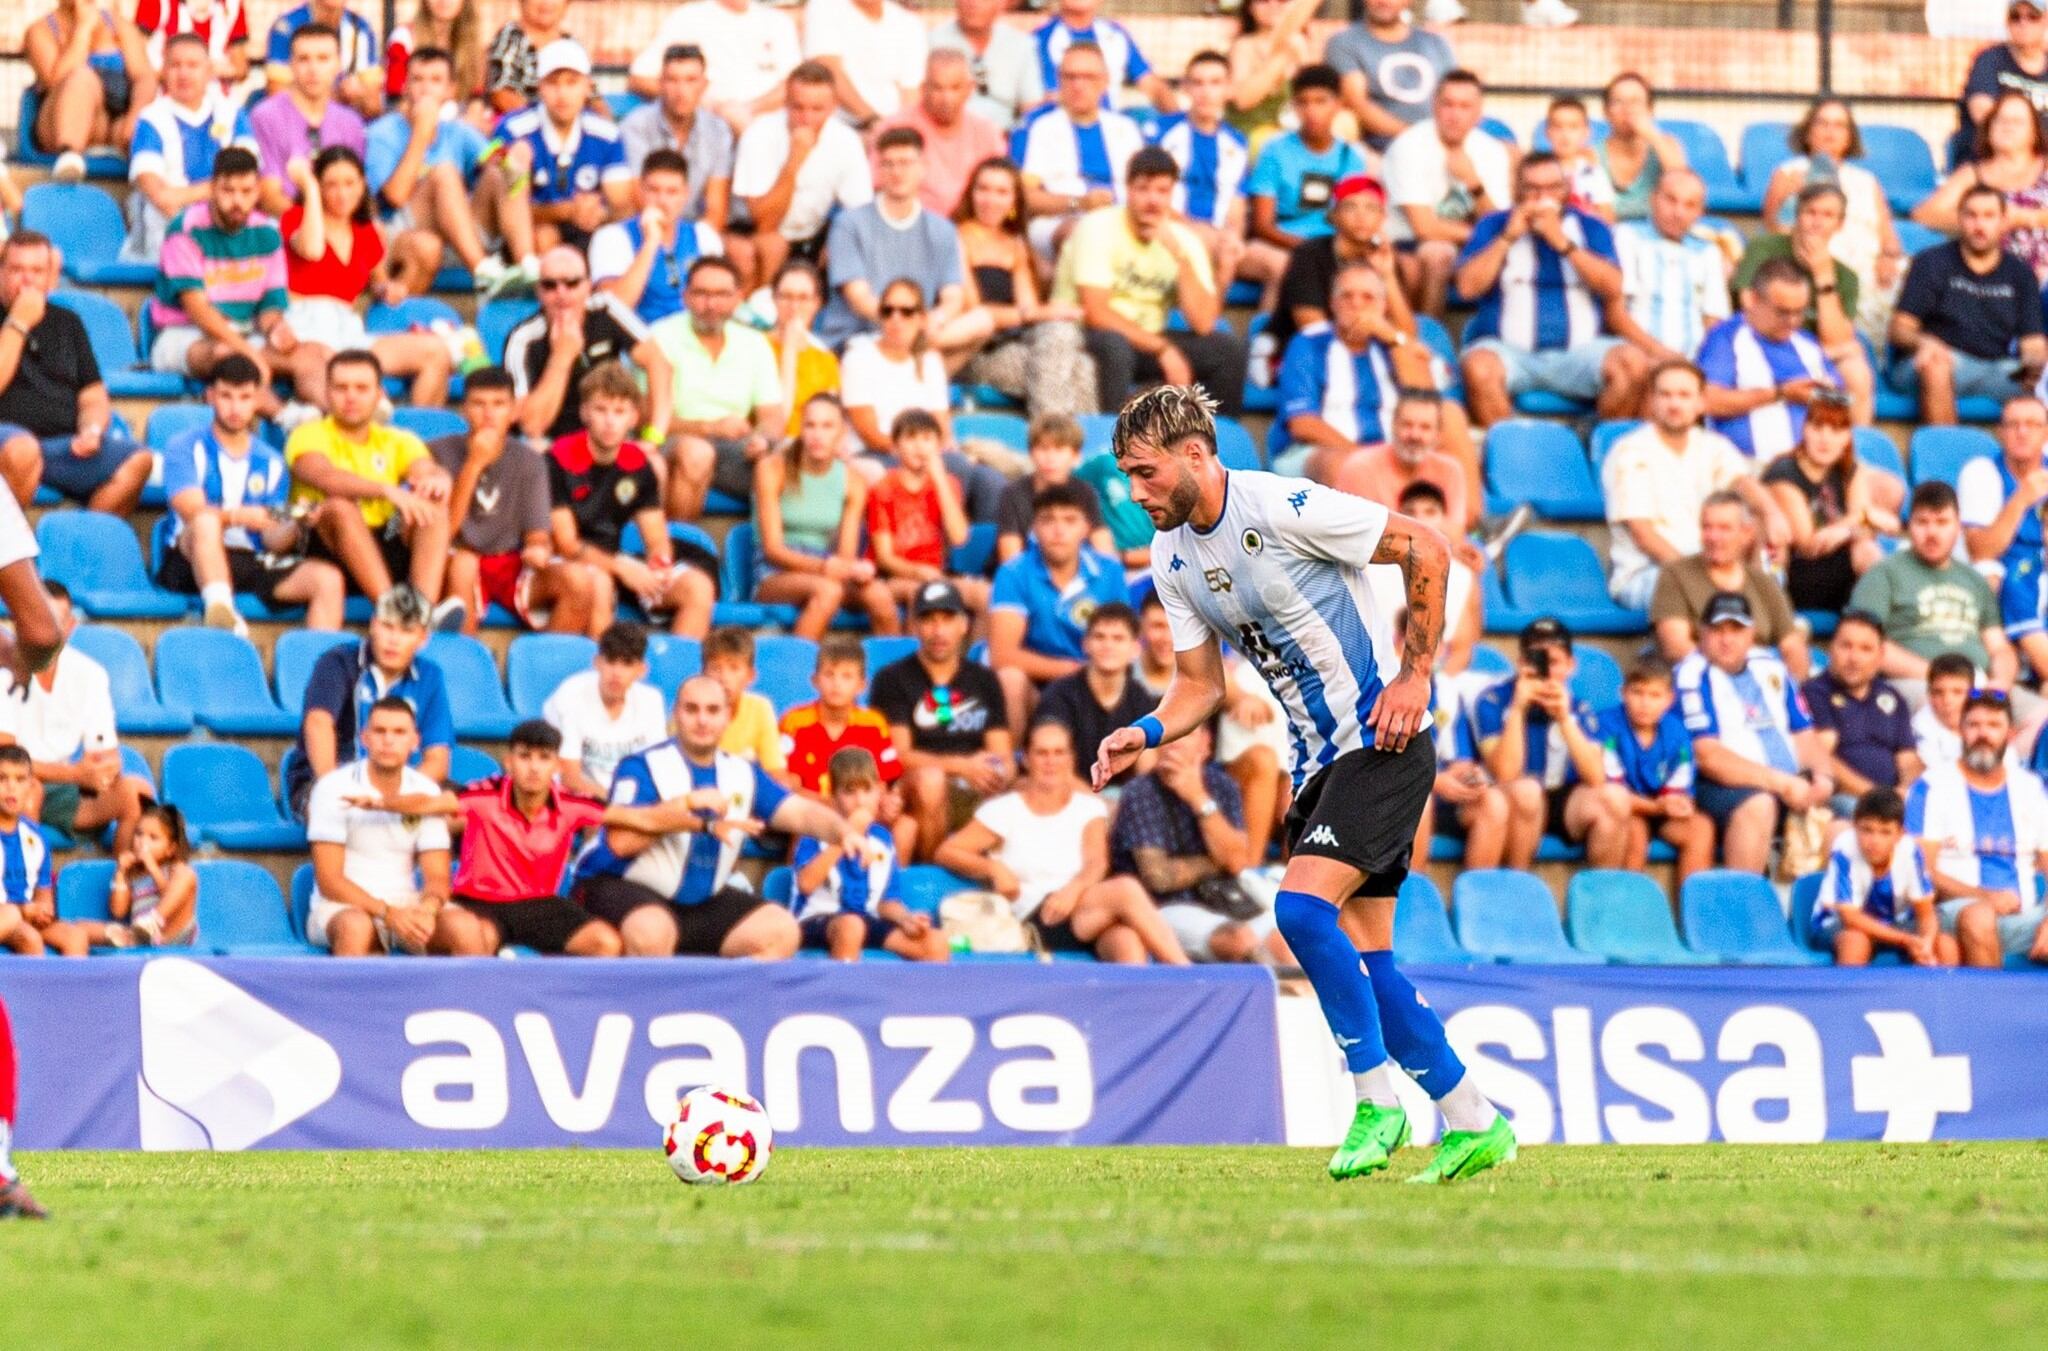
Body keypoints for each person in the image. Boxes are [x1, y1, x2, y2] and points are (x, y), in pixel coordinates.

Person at [1093, 385, 1513, 1184]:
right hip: (1318, 759)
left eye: (1145, 474)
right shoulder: (1170, 555)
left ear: (1195, 454)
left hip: (1384, 739)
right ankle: (1473, 1118)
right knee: (1372, 959)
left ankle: (1375, 1100)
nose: (1134, 493)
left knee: (1296, 910)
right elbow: (1199, 685)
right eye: (1126, 476)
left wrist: (1416, 676)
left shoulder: (1283, 504)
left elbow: (1425, 545)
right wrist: (1142, 732)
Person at [571, 674, 859, 959]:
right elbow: (622, 842)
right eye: (691, 709)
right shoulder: (642, 766)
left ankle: (721, 1003)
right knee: (653, 931)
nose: (702, 720)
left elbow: (801, 813)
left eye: (712, 710)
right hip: (619, 885)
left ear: (728, 716)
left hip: (698, 901)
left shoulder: (742, 772)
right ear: (676, 714)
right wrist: (685, 808)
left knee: (781, 932)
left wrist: (843, 831)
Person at [342, 720, 649, 958]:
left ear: (556, 766)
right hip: (479, 902)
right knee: (476, 944)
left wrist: (690, 817)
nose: (533, 767)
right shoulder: (484, 793)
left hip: (540, 904)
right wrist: (381, 802)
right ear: (509, 761)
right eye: (525, 756)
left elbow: (640, 818)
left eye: (544, 758)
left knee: (606, 944)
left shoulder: (572, 803)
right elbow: (430, 803)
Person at [938, 719, 1186, 965]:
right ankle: (1188, 976)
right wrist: (993, 868)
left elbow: (1096, 861)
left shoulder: (1088, 808)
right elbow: (948, 851)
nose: (1050, 761)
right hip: (1037, 914)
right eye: (1042, 753)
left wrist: (1075, 889)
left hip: (1082, 908)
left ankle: (1144, 1003)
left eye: (1059, 753)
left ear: (1070, 759)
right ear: (1026, 758)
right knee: (1125, 889)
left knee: (1128, 941)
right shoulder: (1004, 810)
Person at [1456, 153, 1650, 428]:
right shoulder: (1494, 225)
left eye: (1551, 188)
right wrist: (1508, 237)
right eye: (1532, 189)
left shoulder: (1589, 226)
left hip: (1580, 352)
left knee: (1633, 364)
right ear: (1516, 191)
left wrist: (1563, 243)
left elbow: (1612, 286)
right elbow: (1466, 288)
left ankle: (1590, 445)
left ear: (1566, 190)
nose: (1541, 197)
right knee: (1478, 367)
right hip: (1509, 351)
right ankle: (1517, 451)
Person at [157, 354, 345, 632]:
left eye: (244, 398)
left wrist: (296, 523)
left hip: (248, 558)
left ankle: (319, 669)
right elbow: (192, 511)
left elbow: (271, 539)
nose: (235, 407)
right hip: (189, 557)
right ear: (210, 396)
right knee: (207, 521)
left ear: (258, 400)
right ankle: (220, 610)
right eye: (226, 396)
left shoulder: (271, 461)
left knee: (327, 579)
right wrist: (238, 517)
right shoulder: (184, 447)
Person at [1056, 147, 1245, 416]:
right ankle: (1115, 445)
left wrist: (1180, 258)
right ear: (1128, 190)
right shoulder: (1097, 227)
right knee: (1116, 347)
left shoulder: (1183, 240)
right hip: (1082, 333)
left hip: (1146, 338)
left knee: (1227, 350)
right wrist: (1163, 348)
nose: (1153, 200)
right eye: (1143, 189)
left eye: (1162, 191)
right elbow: (1096, 313)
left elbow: (1204, 323)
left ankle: (1214, 444)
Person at [148, 147, 328, 411]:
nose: (237, 201)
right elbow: (197, 309)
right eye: (228, 191)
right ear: (212, 189)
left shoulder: (267, 233)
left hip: (245, 332)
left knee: (311, 355)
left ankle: (337, 427)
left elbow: (269, 306)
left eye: (246, 192)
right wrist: (249, 353)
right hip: (184, 335)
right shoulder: (185, 229)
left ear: (257, 192)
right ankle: (286, 419)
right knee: (231, 359)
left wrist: (275, 329)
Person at [547, 361, 717, 639]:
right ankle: (604, 674)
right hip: (568, 565)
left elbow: (657, 537)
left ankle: (680, 677)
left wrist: (659, 566)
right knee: (599, 582)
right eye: (601, 410)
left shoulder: (637, 464)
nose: (610, 421)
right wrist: (622, 568)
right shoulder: (558, 458)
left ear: (634, 417)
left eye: (619, 411)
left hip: (616, 562)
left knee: (698, 587)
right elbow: (566, 544)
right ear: (584, 413)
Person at [1603, 361, 1787, 611]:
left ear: (1701, 402)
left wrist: (1772, 513)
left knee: (1766, 567)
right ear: (1652, 400)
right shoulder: (1630, 451)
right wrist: (1702, 577)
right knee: (1707, 598)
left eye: (1684, 395)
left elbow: (1743, 484)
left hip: (1714, 568)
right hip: (1649, 573)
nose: (1674, 404)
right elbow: (1643, 534)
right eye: (1665, 394)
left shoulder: (1714, 446)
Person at [286, 350, 459, 612]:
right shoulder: (307, 434)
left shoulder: (398, 439)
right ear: (327, 392)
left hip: (385, 537)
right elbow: (324, 476)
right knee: (339, 507)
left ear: (379, 394)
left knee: (431, 504)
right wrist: (385, 490)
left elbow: (425, 469)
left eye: (361, 388)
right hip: (325, 547)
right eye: (341, 388)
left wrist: (438, 479)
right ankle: (392, 610)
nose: (351, 396)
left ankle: (420, 610)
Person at [282, 147, 455, 409]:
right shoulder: (296, 219)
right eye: (331, 185)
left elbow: (378, 280)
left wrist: (386, 287)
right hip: (304, 325)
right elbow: (312, 249)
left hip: (347, 326)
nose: (342, 194)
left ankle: (418, 436)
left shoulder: (366, 231)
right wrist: (309, 187)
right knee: (342, 379)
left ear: (362, 185)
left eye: (350, 183)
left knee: (436, 353)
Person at [430, 367, 597, 637]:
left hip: (509, 561)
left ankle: (541, 667)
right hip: (457, 557)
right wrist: (474, 464)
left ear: (514, 410)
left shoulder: (530, 461)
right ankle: (467, 662)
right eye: (478, 404)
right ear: (463, 409)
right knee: (464, 563)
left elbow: (536, 534)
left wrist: (537, 548)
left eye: (498, 404)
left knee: (580, 581)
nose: (488, 414)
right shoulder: (437, 452)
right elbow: (445, 532)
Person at [1676, 590, 1832, 874]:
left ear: (1751, 633)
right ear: (1701, 633)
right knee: (1760, 805)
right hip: (1718, 786)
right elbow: (1708, 757)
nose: (1726, 639)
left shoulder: (1771, 667)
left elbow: (1804, 735)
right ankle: (1742, 910)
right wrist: (1782, 784)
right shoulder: (1692, 675)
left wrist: (1823, 778)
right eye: (1717, 630)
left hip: (1787, 784)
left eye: (1735, 629)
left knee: (1846, 824)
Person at [0, 232, 152, 515]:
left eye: (36, 271)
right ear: (1, 273)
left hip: (62, 447)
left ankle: (79, 547)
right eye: (17, 270)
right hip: (9, 444)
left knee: (138, 459)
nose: (27, 280)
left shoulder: (68, 322)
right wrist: (19, 322)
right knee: (23, 450)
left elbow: (93, 395)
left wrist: (91, 428)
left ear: (51, 278)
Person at [0, 579, 154, 859]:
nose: (48, 631)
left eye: (56, 622)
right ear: (23, 623)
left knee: (136, 792)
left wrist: (101, 772)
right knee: (29, 789)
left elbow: (105, 755)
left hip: (63, 788)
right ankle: (28, 894)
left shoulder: (89, 673)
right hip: (9, 782)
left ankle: (128, 887)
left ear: (70, 626)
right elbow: (5, 756)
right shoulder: (5, 670)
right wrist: (75, 773)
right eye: (40, 621)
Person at [1110, 720, 1286, 964]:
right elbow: (1159, 877)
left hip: (1230, 899)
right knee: (1240, 940)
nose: (1175, 743)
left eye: (1185, 734)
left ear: (1205, 744)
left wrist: (1198, 798)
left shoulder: (1222, 786)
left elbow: (1237, 863)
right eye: (1169, 735)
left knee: (1288, 940)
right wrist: (1216, 862)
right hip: (1168, 907)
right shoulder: (1139, 792)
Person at [1275, 265, 1459, 493]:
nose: (1357, 304)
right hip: (1320, 453)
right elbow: (1303, 425)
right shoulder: (1308, 343)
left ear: (1383, 306)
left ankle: (1471, 524)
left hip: (1394, 452)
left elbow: (1426, 402)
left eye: (1368, 297)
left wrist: (1393, 337)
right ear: (1332, 304)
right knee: (1345, 466)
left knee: (1452, 420)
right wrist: (1368, 460)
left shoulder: (1390, 345)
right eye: (1347, 296)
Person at [871, 580, 1014, 860]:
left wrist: (999, 772)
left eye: (948, 619)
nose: (938, 631)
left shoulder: (984, 680)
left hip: (975, 784)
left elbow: (1002, 751)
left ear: (964, 624)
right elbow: (898, 756)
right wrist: (961, 767)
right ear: (914, 625)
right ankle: (933, 871)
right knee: (931, 780)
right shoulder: (892, 678)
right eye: (929, 620)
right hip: (918, 787)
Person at [285, 585, 456, 819]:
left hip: (403, 785)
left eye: (406, 631)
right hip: (332, 776)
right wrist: (335, 787)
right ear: (373, 624)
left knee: (464, 810)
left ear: (423, 638)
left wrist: (392, 800)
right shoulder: (337, 663)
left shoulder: (430, 675)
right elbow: (318, 724)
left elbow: (437, 759)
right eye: (387, 626)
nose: (393, 640)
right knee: (332, 810)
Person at [1907, 689, 2048, 968]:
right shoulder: (1932, 786)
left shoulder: (2030, 787)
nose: (1983, 734)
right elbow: (1922, 871)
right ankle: (1997, 1011)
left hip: (2024, 918)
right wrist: (1985, 897)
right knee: (1979, 916)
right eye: (1974, 725)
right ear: (1961, 731)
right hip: (1953, 911)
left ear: (2010, 734)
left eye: (1993, 725)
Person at [1472, 618, 1628, 870]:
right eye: (1537, 660)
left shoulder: (1579, 708)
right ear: (1521, 663)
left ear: (1571, 666)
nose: (1546, 671)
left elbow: (1596, 777)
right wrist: (1519, 709)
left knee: (1616, 799)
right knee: (1528, 792)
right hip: (1512, 797)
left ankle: (1602, 897)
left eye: (1554, 662)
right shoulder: (1493, 701)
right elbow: (1505, 774)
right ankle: (1517, 886)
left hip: (1561, 798)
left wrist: (1565, 718)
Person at [303, 697, 453, 955]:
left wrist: (427, 909)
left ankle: (462, 997)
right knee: (357, 927)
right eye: (380, 731)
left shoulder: (426, 790)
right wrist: (387, 913)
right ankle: (342, 997)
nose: (388, 740)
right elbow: (330, 880)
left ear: (415, 741)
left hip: (407, 902)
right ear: (365, 738)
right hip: (340, 906)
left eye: (399, 732)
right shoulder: (333, 787)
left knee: (465, 928)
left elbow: (438, 875)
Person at [951, 158, 1097, 422]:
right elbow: (975, 311)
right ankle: (1059, 442)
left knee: (1070, 347)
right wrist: (1043, 312)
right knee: (1077, 370)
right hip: (979, 349)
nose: (990, 199)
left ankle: (1064, 444)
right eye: (983, 189)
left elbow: (1028, 307)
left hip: (1020, 342)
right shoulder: (956, 238)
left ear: (1014, 201)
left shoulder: (1015, 243)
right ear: (970, 194)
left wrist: (1042, 314)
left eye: (1001, 192)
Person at [1849, 481, 2023, 699]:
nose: (1932, 532)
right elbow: (1865, 644)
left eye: (1942, 522)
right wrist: (1945, 680)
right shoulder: (1883, 574)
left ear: (1958, 526)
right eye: (1922, 522)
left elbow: (1999, 647)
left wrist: (2000, 683)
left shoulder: (1975, 581)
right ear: (1909, 526)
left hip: (1980, 689)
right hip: (1916, 685)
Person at [1891, 186, 2047, 426]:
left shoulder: (2020, 272)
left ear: (2004, 221)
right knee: (1936, 365)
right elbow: (1900, 329)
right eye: (1971, 215)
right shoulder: (1931, 262)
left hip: (1998, 367)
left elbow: (2033, 342)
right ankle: (1946, 458)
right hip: (1936, 362)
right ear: (1959, 219)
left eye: (1988, 216)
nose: (1979, 225)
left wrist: (2035, 366)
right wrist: (1926, 342)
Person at [1759, 96, 1907, 344]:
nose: (1830, 132)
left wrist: (1888, 258)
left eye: (1839, 125)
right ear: (1808, 133)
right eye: (1822, 124)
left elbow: (1889, 237)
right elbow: (1773, 228)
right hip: (1815, 263)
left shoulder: (1867, 180)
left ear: (1850, 136)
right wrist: (1787, 193)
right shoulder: (1789, 172)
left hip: (1869, 268)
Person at [989, 483, 1132, 737]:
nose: (1058, 530)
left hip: (1101, 678)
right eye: (1048, 520)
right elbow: (1003, 655)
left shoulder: (1110, 571)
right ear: (1034, 528)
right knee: (1010, 679)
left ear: (1087, 528)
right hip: (1038, 684)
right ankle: (1010, 769)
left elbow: (1125, 640)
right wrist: (1074, 670)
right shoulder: (1013, 572)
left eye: (1069, 520)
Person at [754, 395, 899, 640]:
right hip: (775, 571)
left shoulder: (853, 482)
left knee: (880, 595)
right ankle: (798, 673)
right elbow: (773, 550)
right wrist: (825, 567)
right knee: (828, 590)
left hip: (828, 566)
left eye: (827, 426)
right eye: (811, 425)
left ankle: (892, 676)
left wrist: (854, 569)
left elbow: (845, 554)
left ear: (842, 432)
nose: (817, 435)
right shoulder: (771, 468)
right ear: (801, 429)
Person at [653, 255, 785, 521]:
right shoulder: (659, 337)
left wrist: (763, 439)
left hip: (736, 446)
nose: (711, 304)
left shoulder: (755, 344)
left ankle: (778, 556)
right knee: (697, 453)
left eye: (722, 295)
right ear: (686, 296)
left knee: (800, 459)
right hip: (673, 441)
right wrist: (709, 428)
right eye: (701, 293)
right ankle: (679, 551)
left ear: (738, 298)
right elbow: (646, 420)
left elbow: (772, 417)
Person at [364, 45, 501, 296]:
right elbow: (393, 197)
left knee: (502, 175)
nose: (426, 88)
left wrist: (509, 158)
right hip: (397, 231)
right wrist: (421, 132)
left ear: (451, 90)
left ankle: (527, 265)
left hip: (453, 236)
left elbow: (499, 165)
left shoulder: (457, 131)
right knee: (444, 174)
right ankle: (483, 271)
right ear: (405, 86)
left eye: (436, 80)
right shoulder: (381, 133)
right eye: (417, 79)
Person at [1732, 183, 1875, 423]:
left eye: (1828, 215)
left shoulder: (1845, 275)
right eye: (1811, 212)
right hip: (1762, 343)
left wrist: (1823, 275)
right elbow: (1750, 307)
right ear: (1797, 216)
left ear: (1839, 225)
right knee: (1849, 350)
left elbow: (1837, 339)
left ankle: (1852, 448)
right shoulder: (1765, 248)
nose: (1817, 222)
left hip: (1816, 355)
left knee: (1856, 370)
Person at [503, 245, 671, 445]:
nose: (561, 293)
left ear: (588, 285)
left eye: (572, 283)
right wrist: (562, 357)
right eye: (550, 285)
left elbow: (658, 363)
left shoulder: (607, 308)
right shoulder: (522, 338)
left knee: (655, 465)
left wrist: (654, 436)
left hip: (607, 435)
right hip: (551, 443)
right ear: (538, 291)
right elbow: (531, 426)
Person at [790, 747, 946, 962]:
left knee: (934, 942)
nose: (860, 801)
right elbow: (806, 883)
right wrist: (844, 837)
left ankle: (913, 996)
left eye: (867, 790)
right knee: (852, 926)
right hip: (817, 919)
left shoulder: (882, 838)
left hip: (866, 919)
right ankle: (843, 995)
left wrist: (906, 919)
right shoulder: (816, 832)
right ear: (834, 797)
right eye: (849, 792)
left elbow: (886, 902)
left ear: (880, 792)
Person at [819, 128, 970, 351]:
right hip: (860, 338)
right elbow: (859, 297)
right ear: (878, 169)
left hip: (920, 333)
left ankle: (917, 369)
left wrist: (935, 319)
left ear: (923, 168)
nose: (897, 172)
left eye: (906, 163)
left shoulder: (942, 230)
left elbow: (953, 296)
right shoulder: (849, 224)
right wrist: (901, 324)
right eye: (888, 164)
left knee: (981, 321)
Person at [483, 40, 632, 260]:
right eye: (553, 83)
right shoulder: (511, 128)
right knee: (543, 237)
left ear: (588, 86)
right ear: (540, 87)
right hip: (522, 237)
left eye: (571, 83)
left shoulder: (607, 134)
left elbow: (622, 204)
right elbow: (493, 194)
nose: (562, 94)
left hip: (588, 232)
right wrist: (565, 211)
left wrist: (599, 214)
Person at [1383, 70, 1513, 318]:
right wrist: (1485, 233)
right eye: (1448, 105)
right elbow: (1424, 227)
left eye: (1465, 107)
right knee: (1438, 253)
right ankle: (1433, 341)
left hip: (1468, 243)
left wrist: (1474, 184)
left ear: (1479, 112)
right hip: (1406, 240)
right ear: (1434, 106)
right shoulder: (1410, 146)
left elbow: (1499, 220)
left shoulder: (1491, 150)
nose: (1455, 115)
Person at [731, 62, 874, 288]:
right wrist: (795, 160)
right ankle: (765, 309)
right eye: (798, 108)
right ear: (785, 102)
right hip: (755, 232)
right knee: (773, 244)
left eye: (817, 109)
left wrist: (839, 241)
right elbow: (765, 221)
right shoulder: (759, 134)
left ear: (834, 107)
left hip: (812, 234)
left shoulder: (846, 140)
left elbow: (859, 209)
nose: (806, 118)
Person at [1761, 393, 1900, 615]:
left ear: (1846, 437)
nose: (1824, 439)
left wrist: (1848, 529)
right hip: (1799, 574)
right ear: (1804, 430)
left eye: (1835, 431)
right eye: (1817, 428)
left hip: (1840, 569)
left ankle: (1874, 625)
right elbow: (1809, 545)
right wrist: (1862, 519)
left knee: (1866, 548)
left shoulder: (1848, 470)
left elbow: (1874, 529)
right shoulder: (1784, 474)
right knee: (1865, 550)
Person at [123, 33, 254, 262]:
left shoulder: (232, 113)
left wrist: (192, 195)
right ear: (163, 71)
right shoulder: (151, 119)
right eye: (175, 65)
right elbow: (160, 196)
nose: (183, 73)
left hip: (227, 223)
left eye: (192, 65)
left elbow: (250, 181)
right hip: (169, 230)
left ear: (209, 71)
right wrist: (220, 189)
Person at [1155, 52, 1273, 304]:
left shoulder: (1237, 142)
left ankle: (1263, 342)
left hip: (1221, 240)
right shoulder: (1162, 132)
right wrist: (1202, 232)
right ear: (1185, 88)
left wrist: (1232, 236)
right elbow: (1152, 197)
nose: (1206, 92)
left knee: (1280, 265)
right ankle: (1209, 330)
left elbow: (1237, 208)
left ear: (1229, 88)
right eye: (1197, 83)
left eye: (1215, 83)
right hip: (1172, 231)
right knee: (1216, 249)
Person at [1698, 259, 1845, 461]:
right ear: (1753, 299)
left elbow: (1844, 401)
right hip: (1749, 465)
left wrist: (1823, 396)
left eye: (1800, 312)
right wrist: (1781, 393)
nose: (1793, 321)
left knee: (1888, 487)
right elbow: (1707, 400)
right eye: (1783, 312)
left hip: (1812, 465)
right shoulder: (1725, 338)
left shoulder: (1807, 343)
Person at [1011, 43, 1146, 261]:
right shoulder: (1042, 128)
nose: (1078, 85)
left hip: (1124, 219)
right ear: (1059, 81)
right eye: (1070, 77)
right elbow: (1025, 196)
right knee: (1084, 234)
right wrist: (1079, 203)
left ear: (1104, 82)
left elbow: (1145, 187)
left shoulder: (1126, 129)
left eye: (1088, 77)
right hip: (1059, 222)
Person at [1650, 490, 1807, 674]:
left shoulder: (1763, 582)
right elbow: (1676, 646)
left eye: (1724, 528)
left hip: (1759, 682)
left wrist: (1793, 692)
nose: (1714, 537)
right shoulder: (1676, 574)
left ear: (1746, 533)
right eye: (1707, 527)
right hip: (1700, 680)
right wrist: (1731, 680)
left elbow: (1792, 646)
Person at [1590, 652, 1714, 882]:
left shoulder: (1676, 731)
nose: (1645, 703)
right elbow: (1610, 790)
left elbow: (1681, 784)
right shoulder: (1605, 725)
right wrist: (1657, 807)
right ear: (1623, 693)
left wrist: (1678, 803)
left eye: (1655, 695)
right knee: (1636, 830)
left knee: (1701, 827)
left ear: (1669, 699)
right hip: (1624, 809)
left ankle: (1689, 911)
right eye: (1637, 693)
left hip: (1661, 809)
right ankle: (1628, 908)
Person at [619, 45, 739, 265]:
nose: (681, 90)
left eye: (690, 80)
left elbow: (716, 207)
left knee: (741, 253)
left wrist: (691, 247)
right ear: (660, 83)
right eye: (672, 80)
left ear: (704, 85)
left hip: (695, 231)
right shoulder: (636, 126)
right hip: (644, 226)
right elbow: (637, 196)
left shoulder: (718, 130)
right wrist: (664, 240)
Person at [1917, 89, 2048, 285]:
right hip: (1991, 276)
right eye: (2000, 120)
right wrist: (1981, 220)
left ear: (2034, 131)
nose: (2007, 127)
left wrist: (2024, 217)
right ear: (1989, 129)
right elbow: (1925, 214)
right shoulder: (1972, 173)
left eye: (2017, 122)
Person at [1812, 787, 1950, 967]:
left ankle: (1939, 994)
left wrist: (1926, 943)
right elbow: (1850, 918)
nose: (1874, 841)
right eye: (1867, 830)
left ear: (1900, 834)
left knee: (1945, 945)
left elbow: (1925, 913)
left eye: (1885, 832)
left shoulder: (1910, 851)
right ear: (1854, 826)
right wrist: (1906, 940)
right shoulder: (1845, 848)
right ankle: (1850, 994)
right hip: (1837, 924)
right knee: (1856, 941)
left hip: (1896, 923)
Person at [865, 408, 986, 614]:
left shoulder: (948, 484)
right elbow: (884, 557)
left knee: (985, 595)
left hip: (936, 574)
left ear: (938, 446)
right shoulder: (883, 489)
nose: (920, 447)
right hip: (894, 577)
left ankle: (976, 648)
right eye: (911, 438)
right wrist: (917, 572)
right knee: (921, 593)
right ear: (895, 447)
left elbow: (959, 537)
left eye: (927, 439)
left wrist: (939, 479)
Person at [1802, 610, 1922, 816]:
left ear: (1880, 655)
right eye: (1846, 646)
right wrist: (1877, 797)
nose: (1854, 658)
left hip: (1891, 801)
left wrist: (1906, 792)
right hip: (1843, 800)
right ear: (1831, 648)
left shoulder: (1891, 696)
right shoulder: (1814, 692)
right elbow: (1822, 759)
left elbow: (1908, 760)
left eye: (1866, 649)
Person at [1247, 66, 1372, 256]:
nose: (1311, 110)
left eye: (1321, 101)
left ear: (1338, 104)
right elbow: (1262, 225)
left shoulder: (1350, 157)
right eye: (1302, 102)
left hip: (1335, 247)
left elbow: (1354, 219)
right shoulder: (1275, 151)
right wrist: (1312, 251)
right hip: (1283, 245)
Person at [24, 1, 156, 181]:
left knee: (138, 127)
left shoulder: (119, 25)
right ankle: (69, 157)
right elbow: (53, 81)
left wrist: (134, 116)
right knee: (81, 77)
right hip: (60, 121)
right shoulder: (40, 31)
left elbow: (145, 77)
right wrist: (83, 30)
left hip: (111, 123)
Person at [249, 23, 367, 218]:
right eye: (304, 59)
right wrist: (315, 228)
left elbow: (357, 192)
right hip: (284, 226)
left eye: (323, 59)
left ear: (338, 64)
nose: (313, 69)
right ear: (291, 64)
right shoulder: (265, 116)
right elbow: (269, 196)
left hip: (339, 224)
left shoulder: (351, 122)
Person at [1033, 601, 1156, 788]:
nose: (1108, 645)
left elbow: (1148, 770)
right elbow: (1053, 767)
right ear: (1085, 644)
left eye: (1118, 638)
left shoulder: (1141, 700)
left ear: (1135, 649)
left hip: (1124, 801)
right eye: (1099, 637)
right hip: (1066, 795)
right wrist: (1098, 807)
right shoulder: (1059, 695)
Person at [1617, 168, 1734, 361]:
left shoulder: (1708, 252)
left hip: (1692, 365)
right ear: (1653, 199)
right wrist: (1658, 353)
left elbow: (1714, 319)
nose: (1678, 212)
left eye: (1690, 205)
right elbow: (1617, 311)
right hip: (1638, 357)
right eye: (1671, 200)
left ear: (1700, 212)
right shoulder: (1628, 236)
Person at [627, 0, 795, 134]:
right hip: (708, 127)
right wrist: (705, 103)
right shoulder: (689, 18)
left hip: (772, 128)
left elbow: (793, 84)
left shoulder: (777, 22)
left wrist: (746, 110)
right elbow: (640, 78)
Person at [544, 623, 668, 799]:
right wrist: (618, 804)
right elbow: (569, 778)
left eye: (627, 664)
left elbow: (658, 768)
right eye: (610, 661)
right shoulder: (571, 695)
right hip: (578, 798)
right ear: (597, 662)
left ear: (642, 670)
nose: (616, 673)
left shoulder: (651, 701)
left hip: (632, 801)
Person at [779, 636, 905, 798]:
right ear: (815, 680)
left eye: (846, 676)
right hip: (809, 814)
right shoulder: (794, 722)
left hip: (862, 812)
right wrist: (831, 808)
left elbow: (883, 782)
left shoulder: (874, 724)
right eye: (829, 675)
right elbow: (788, 785)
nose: (836, 683)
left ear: (861, 685)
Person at [1328, 0, 1457, 153]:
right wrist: (1416, 137)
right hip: (1379, 148)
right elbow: (1356, 103)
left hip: (1441, 145)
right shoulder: (1345, 42)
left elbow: (1456, 95)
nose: (1383, 1)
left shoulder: (1436, 44)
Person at [995, 413, 1115, 564]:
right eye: (1043, 448)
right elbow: (1010, 558)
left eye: (1059, 449)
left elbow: (1104, 550)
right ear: (1031, 453)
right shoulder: (1013, 494)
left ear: (1076, 456)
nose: (1050, 458)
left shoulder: (1085, 492)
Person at [1030, 0, 1175, 115]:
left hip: (1111, 127)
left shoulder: (1116, 35)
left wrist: (1178, 119)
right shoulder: (1039, 39)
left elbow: (1153, 86)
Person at [803, 0, 925, 130]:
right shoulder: (824, 7)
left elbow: (911, 92)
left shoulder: (909, 23)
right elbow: (828, 70)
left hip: (893, 133)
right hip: (841, 127)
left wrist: (898, 132)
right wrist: (874, 122)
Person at [94, 804, 201, 951]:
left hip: (173, 934)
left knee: (187, 874)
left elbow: (169, 896)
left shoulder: (174, 870)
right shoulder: (134, 874)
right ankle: (130, 937)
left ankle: (152, 921)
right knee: (87, 928)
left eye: (153, 838)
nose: (142, 842)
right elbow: (118, 911)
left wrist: (152, 868)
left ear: (170, 849)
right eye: (139, 834)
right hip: (144, 938)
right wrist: (120, 873)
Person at [929, 0, 1043, 131]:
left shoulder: (1022, 45)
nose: (973, 4)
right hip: (947, 133)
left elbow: (1031, 108)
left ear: (1001, 4)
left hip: (1005, 137)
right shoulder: (932, 41)